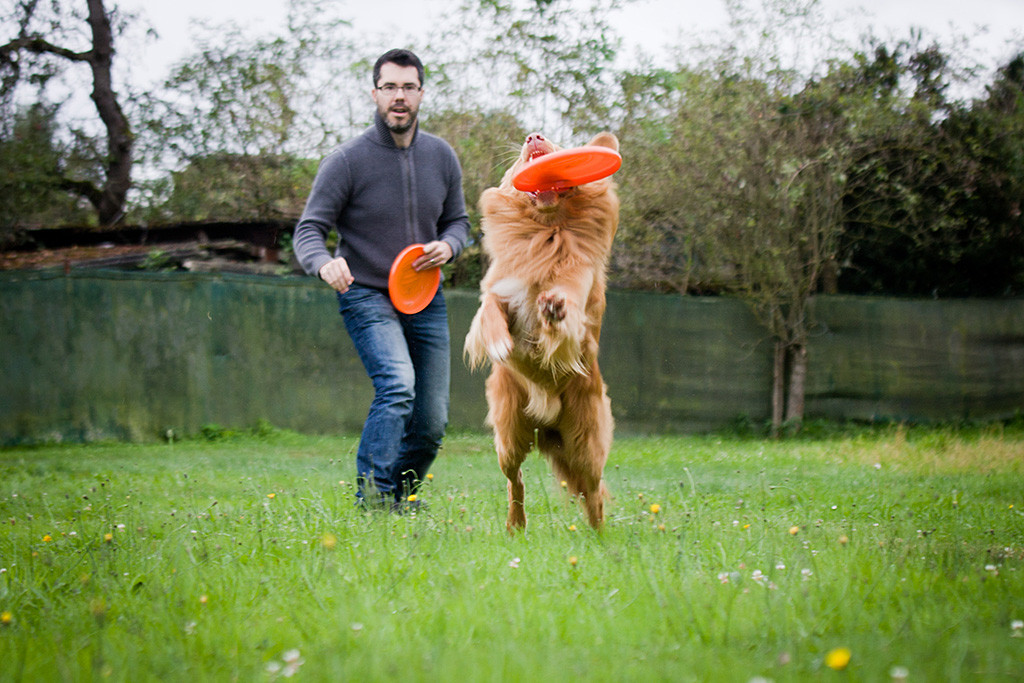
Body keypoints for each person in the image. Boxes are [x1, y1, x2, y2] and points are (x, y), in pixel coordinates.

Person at [293, 48, 470, 509]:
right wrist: (322, 262)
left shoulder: (442, 157)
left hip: (425, 296)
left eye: (408, 87)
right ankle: (372, 501)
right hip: (367, 293)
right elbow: (309, 229)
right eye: (390, 86)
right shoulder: (347, 160)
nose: (399, 96)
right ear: (375, 93)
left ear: (421, 95)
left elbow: (459, 222)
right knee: (397, 384)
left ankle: (399, 498)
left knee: (431, 420)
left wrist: (449, 245)